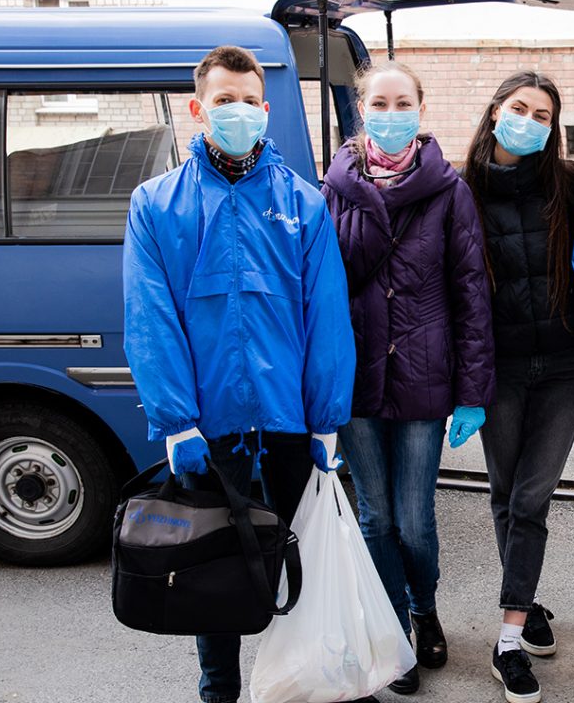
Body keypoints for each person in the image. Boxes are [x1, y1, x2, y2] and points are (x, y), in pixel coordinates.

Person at [123, 45, 355, 703]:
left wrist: (326, 419)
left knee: (301, 566)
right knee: (212, 570)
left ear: (266, 108)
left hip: (288, 423)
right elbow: (150, 318)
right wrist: (177, 421)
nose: (238, 111)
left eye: (248, 100)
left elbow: (326, 318)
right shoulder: (157, 204)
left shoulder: (302, 204)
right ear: (198, 108)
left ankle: (301, 683)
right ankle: (219, 690)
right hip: (208, 427)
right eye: (223, 100)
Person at [322, 61, 495, 697]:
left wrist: (473, 393)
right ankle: (393, 630)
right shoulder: (335, 187)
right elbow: (320, 293)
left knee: (414, 519)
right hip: (358, 382)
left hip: (425, 379)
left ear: (420, 111)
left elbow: (471, 294)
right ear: (361, 110)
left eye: (403, 103)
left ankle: (424, 608)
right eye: (379, 102)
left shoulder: (449, 191)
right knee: (375, 517)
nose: (391, 113)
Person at [461, 70, 574, 703]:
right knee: (506, 495)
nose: (530, 122)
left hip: (564, 366)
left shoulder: (570, 183)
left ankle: (507, 641)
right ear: (494, 112)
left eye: (543, 115)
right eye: (520, 109)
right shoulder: (462, 191)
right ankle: (528, 600)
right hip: (500, 370)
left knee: (532, 496)